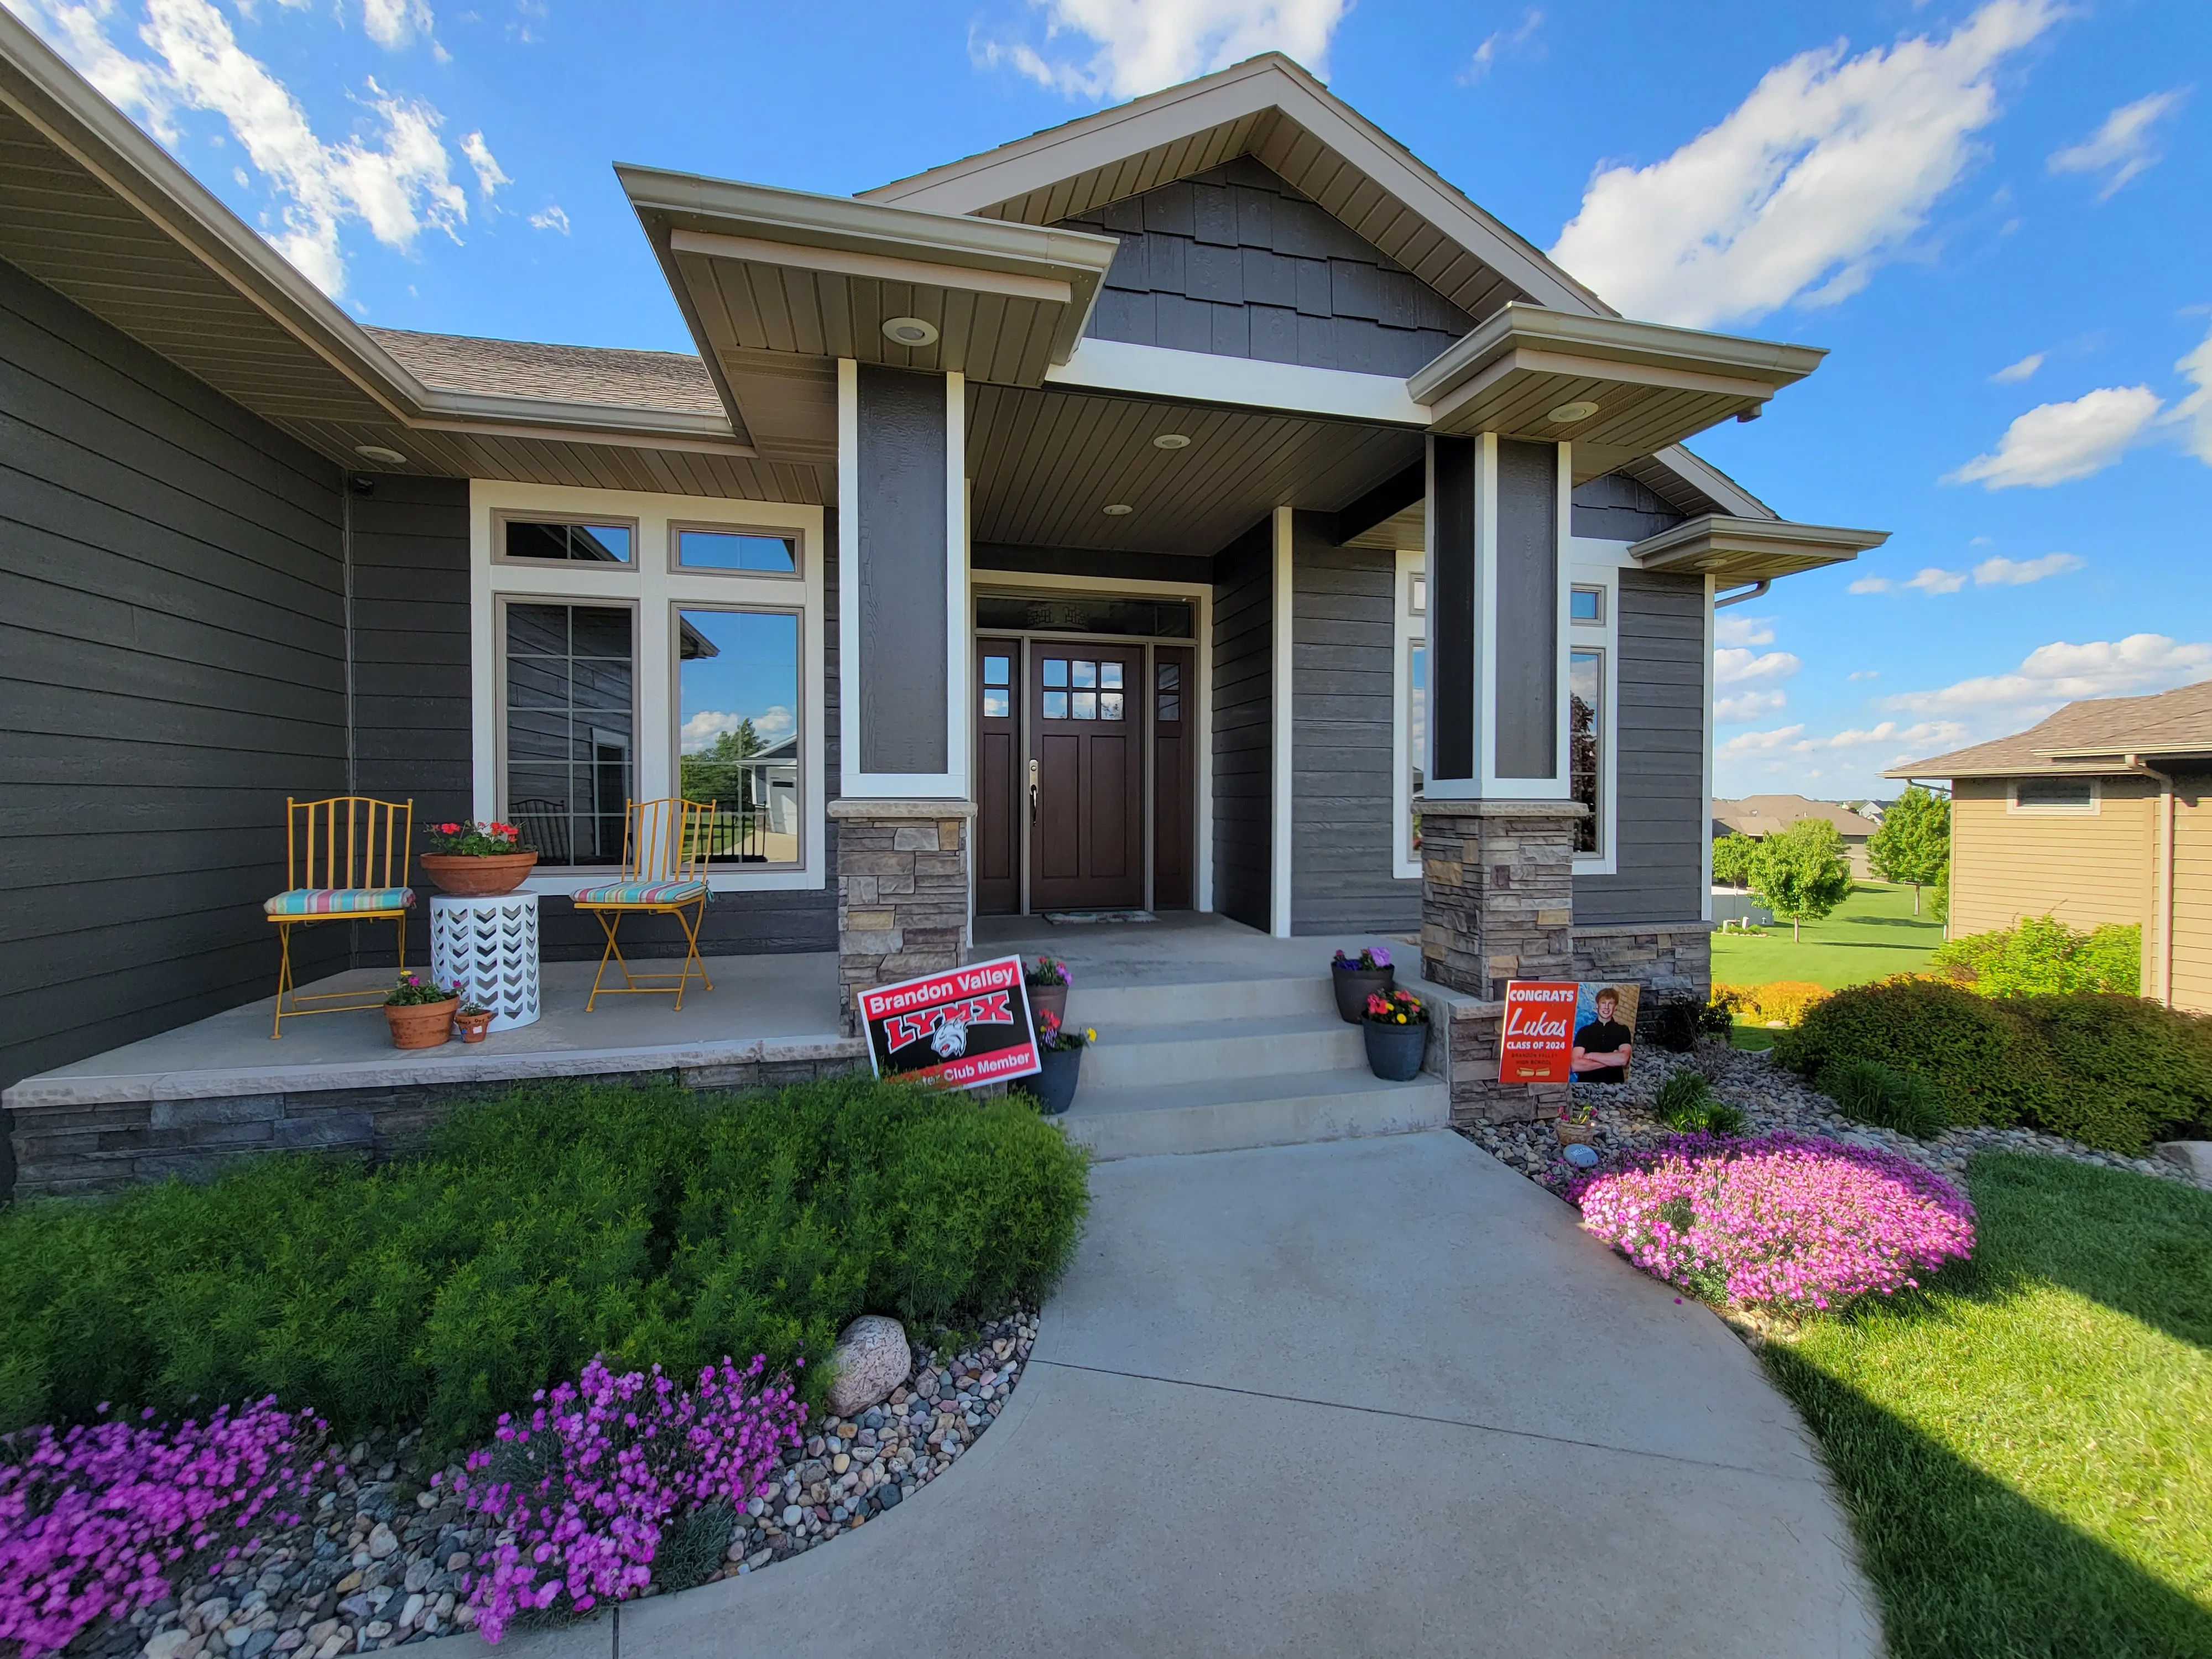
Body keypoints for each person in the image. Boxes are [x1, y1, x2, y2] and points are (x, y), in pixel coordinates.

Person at [1572, 987, 1634, 1084]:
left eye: (1611, 1004)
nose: (1606, 1007)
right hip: (1586, 1088)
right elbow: (1575, 1066)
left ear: (1616, 1007)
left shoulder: (1623, 1031)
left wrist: (1590, 1056)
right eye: (1603, 1003)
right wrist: (1612, 1059)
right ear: (1597, 1005)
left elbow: (1623, 1060)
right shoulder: (1584, 1032)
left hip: (1615, 1090)